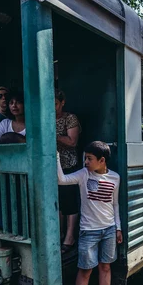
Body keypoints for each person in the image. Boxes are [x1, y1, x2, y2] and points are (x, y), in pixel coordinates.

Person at [57, 141, 122, 285]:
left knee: (105, 267)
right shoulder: (83, 175)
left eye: (89, 159)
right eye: (85, 158)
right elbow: (61, 179)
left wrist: (118, 228)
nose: (85, 161)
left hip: (109, 229)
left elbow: (115, 204)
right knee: (85, 271)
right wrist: (56, 156)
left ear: (102, 160)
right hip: (89, 231)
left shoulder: (115, 177)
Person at [55, 89, 82, 252]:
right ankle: (58, 234)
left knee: (69, 203)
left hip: (68, 165)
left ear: (62, 102)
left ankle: (70, 237)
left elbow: (72, 141)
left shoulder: (70, 118)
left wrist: (51, 135)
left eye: (55, 104)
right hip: (50, 167)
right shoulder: (45, 117)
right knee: (57, 203)